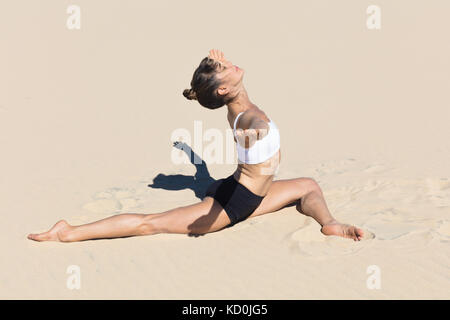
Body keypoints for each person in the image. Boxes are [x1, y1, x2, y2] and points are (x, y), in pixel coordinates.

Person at [27, 49, 363, 242]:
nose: (229, 64)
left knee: (308, 186)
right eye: (223, 68)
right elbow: (253, 126)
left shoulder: (237, 103)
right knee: (151, 223)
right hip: (236, 204)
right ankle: (67, 232)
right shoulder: (247, 117)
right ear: (222, 91)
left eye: (224, 63)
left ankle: (329, 223)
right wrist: (260, 131)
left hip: (234, 186)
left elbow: (229, 102)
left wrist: (193, 157)